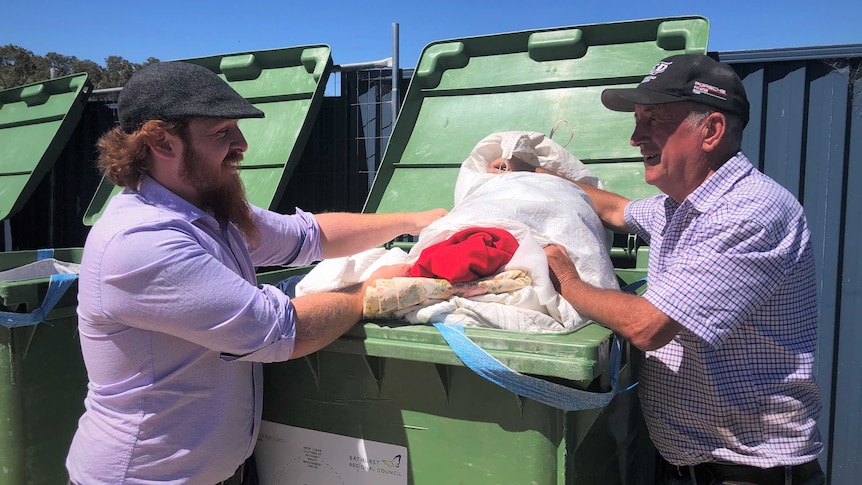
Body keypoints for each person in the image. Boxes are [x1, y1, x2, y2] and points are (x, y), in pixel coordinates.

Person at [65, 61, 445, 485]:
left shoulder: (207, 210)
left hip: (220, 471)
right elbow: (280, 331)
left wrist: (414, 219)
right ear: (161, 141)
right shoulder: (141, 243)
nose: (241, 144)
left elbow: (309, 235)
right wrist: (368, 291)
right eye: (221, 132)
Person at [541, 54, 825, 484]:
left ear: (710, 130)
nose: (636, 137)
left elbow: (648, 326)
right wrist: (536, 176)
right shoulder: (683, 207)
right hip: (692, 463)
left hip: (745, 471)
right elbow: (616, 209)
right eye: (637, 121)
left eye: (653, 120)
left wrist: (567, 281)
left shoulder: (748, 214)